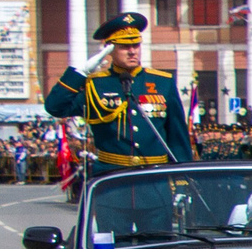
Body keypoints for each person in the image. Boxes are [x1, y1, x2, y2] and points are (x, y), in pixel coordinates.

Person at [43, 13, 194, 183]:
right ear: (109, 49)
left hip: (155, 179)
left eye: (136, 45)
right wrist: (80, 73)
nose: (132, 51)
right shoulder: (95, 85)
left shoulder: (162, 82)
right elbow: (55, 107)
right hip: (112, 178)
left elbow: (177, 137)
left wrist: (182, 181)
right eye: (124, 46)